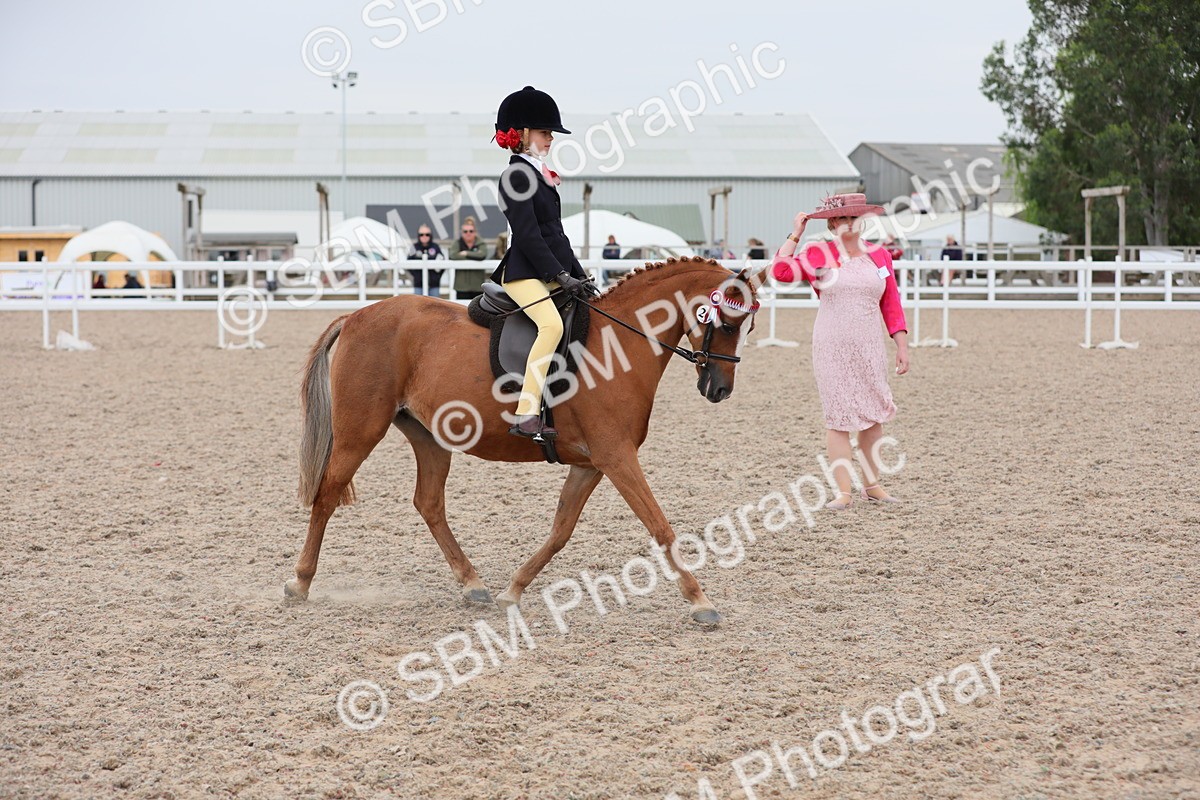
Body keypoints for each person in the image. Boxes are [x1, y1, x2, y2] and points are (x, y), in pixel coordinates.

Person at [771, 193, 910, 510]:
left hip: (870, 344)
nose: (849, 225)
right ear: (832, 224)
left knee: (874, 418)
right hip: (831, 344)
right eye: (843, 219)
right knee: (839, 419)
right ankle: (843, 491)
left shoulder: (880, 256)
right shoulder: (817, 253)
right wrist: (795, 235)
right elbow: (780, 273)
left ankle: (872, 485)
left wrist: (901, 343)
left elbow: (891, 304)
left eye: (854, 218)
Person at [491, 86, 596, 440]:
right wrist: (558, 274)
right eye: (544, 132)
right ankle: (525, 414)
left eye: (550, 133)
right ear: (520, 135)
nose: (551, 138)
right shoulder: (516, 176)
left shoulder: (540, 173)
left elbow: (555, 234)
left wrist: (578, 277)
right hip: (523, 273)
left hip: (547, 269)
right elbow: (529, 235)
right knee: (550, 326)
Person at [449, 216, 489, 301]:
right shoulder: (457, 243)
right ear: (461, 233)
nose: (468, 233)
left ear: (475, 232)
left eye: (471, 231)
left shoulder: (480, 243)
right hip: (461, 287)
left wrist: (466, 253)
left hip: (477, 286)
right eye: (465, 231)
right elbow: (453, 255)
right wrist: (474, 255)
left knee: (478, 311)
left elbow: (483, 255)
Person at [407, 225, 445, 297]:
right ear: (418, 236)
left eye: (427, 234)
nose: (424, 237)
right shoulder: (414, 247)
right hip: (418, 285)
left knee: (434, 306)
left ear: (430, 236)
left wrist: (437, 277)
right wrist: (416, 275)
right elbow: (408, 264)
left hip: (434, 285)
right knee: (418, 305)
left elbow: (443, 264)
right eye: (421, 235)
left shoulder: (435, 247)